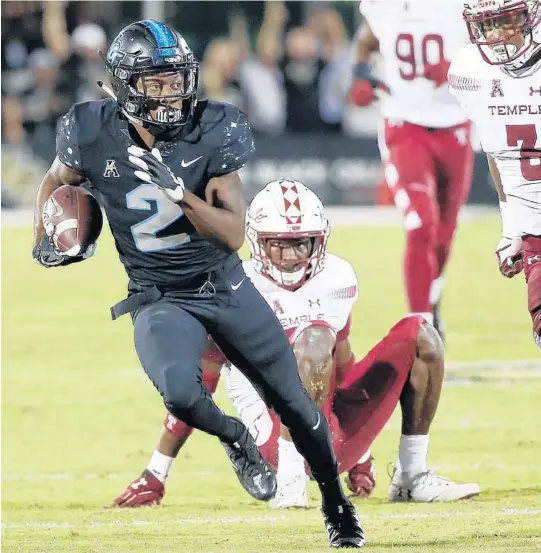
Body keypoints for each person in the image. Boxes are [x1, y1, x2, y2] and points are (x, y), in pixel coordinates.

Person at [31, 21, 364, 548]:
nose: (170, 93)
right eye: (155, 82)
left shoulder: (211, 127)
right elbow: (57, 180)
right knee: (182, 394)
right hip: (158, 294)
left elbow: (233, 234)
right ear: (122, 85)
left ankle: (335, 503)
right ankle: (237, 439)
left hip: (224, 284)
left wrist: (179, 193)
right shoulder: (90, 129)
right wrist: (48, 236)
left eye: (175, 79)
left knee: (297, 406)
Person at [112, 180, 480, 509]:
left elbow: (342, 367)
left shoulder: (336, 278)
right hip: (273, 441)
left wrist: (363, 455)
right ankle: (291, 480)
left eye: (300, 244)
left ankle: (412, 476)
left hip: (333, 430)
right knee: (314, 336)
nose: (290, 257)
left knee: (421, 332)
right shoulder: (228, 286)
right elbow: (199, 386)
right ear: (258, 242)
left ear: (317, 241)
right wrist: (156, 472)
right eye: (278, 246)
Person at [350, 0, 475, 341]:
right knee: (421, 223)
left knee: (444, 234)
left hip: (455, 123)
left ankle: (432, 298)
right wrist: (361, 75)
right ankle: (420, 329)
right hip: (405, 123)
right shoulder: (386, 6)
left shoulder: (462, 6)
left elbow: (495, 52)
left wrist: (459, 71)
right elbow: (366, 39)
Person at [448, 0, 541, 348]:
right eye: (487, 26)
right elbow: (498, 150)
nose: (497, 35)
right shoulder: (472, 73)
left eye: (506, 21)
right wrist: (512, 229)